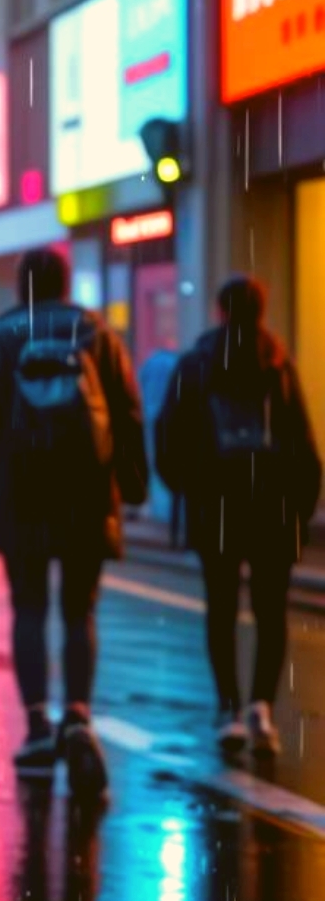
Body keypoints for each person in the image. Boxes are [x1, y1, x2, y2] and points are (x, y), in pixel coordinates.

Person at [0, 247, 147, 794]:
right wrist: (133, 484)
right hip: (87, 494)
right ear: (66, 285)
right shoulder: (97, 336)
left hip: (21, 496)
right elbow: (128, 413)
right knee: (78, 609)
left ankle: (38, 726)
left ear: (22, 287)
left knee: (29, 607)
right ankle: (80, 717)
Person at [155, 276, 321, 755]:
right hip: (273, 508)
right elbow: (304, 446)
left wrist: (189, 489)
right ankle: (262, 710)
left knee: (222, 608)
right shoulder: (278, 366)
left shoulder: (196, 364)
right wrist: (300, 509)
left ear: (218, 311)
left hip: (217, 506)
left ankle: (228, 708)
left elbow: (168, 438)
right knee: (272, 613)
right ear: (262, 311)